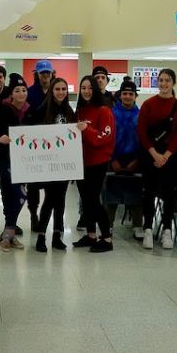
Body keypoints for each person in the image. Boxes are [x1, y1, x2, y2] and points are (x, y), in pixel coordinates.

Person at [137, 68, 177, 250]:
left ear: (173, 83)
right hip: (150, 155)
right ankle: (148, 228)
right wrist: (155, 154)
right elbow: (142, 132)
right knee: (149, 192)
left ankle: (167, 228)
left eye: (168, 80)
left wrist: (166, 156)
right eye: (161, 80)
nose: (164, 83)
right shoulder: (148, 104)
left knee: (169, 193)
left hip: (171, 157)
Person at [29, 77, 75, 253]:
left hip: (64, 164)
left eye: (64, 89)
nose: (61, 92)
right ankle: (41, 235)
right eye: (57, 89)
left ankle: (58, 235)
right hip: (48, 164)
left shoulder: (69, 111)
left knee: (61, 200)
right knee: (49, 199)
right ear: (51, 91)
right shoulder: (41, 111)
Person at [72, 76, 116, 253]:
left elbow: (104, 137)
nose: (86, 91)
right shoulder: (80, 110)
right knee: (85, 199)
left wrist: (86, 130)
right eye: (83, 88)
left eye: (90, 88)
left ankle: (106, 237)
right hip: (80, 161)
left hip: (98, 162)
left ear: (95, 90)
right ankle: (91, 234)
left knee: (93, 199)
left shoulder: (104, 110)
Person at [0, 74, 30, 250]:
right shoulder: (2, 109)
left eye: (23, 90)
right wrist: (0, 138)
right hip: (5, 158)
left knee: (21, 195)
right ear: (11, 93)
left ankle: (8, 233)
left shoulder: (30, 110)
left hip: (24, 160)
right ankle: (8, 235)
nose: (21, 93)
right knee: (10, 193)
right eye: (17, 90)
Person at [110, 78, 145, 239]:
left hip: (134, 160)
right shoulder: (111, 114)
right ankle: (107, 225)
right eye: (124, 93)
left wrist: (137, 160)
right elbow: (108, 138)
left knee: (136, 195)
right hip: (115, 158)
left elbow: (143, 140)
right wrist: (112, 159)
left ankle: (137, 226)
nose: (127, 97)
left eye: (131, 94)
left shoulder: (140, 115)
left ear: (135, 96)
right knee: (111, 195)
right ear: (120, 95)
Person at [25, 60, 56, 229]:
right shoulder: (30, 93)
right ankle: (33, 215)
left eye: (48, 73)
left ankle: (46, 216)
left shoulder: (56, 91)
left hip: (53, 145)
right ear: (36, 74)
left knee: (51, 185)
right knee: (33, 186)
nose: (45, 76)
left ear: (52, 74)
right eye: (42, 73)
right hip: (34, 145)